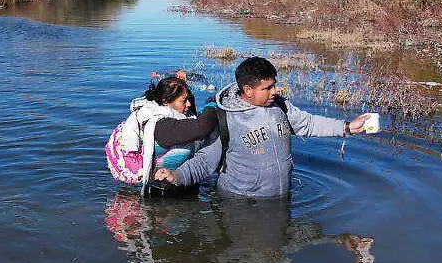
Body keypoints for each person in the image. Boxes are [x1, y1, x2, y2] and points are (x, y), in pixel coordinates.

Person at [154, 56, 374, 197]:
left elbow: (308, 124)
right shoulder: (224, 116)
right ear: (248, 90)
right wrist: (177, 176)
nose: (275, 91)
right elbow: (205, 161)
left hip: (281, 199)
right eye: (268, 87)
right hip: (240, 205)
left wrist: (347, 127)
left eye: (274, 85)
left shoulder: (279, 105)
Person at [106, 75, 219, 187]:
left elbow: (195, 118)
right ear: (166, 102)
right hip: (162, 190)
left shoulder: (154, 111)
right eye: (184, 101)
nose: (188, 104)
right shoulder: (163, 126)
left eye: (188, 99)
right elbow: (203, 126)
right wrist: (211, 104)